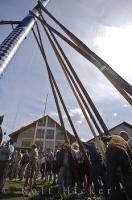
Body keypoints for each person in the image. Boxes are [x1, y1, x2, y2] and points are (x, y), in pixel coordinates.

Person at [102, 134, 132, 200]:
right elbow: (130, 156)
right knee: (126, 176)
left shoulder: (113, 137)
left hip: (110, 152)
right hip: (122, 152)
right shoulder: (125, 142)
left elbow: (103, 138)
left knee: (112, 178)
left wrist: (105, 143)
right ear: (124, 136)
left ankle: (115, 197)